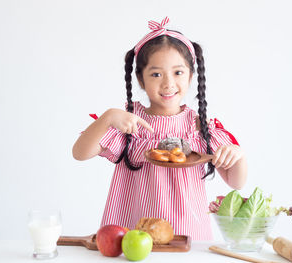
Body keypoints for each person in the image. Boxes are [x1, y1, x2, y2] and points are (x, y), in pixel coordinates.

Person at [72, 17, 247, 240]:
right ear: (141, 80)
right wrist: (107, 118)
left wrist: (238, 154)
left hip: (187, 234)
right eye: (156, 74)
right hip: (133, 233)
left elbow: (236, 181)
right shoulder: (129, 123)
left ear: (191, 75)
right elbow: (79, 153)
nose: (168, 83)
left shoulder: (200, 127)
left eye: (178, 72)